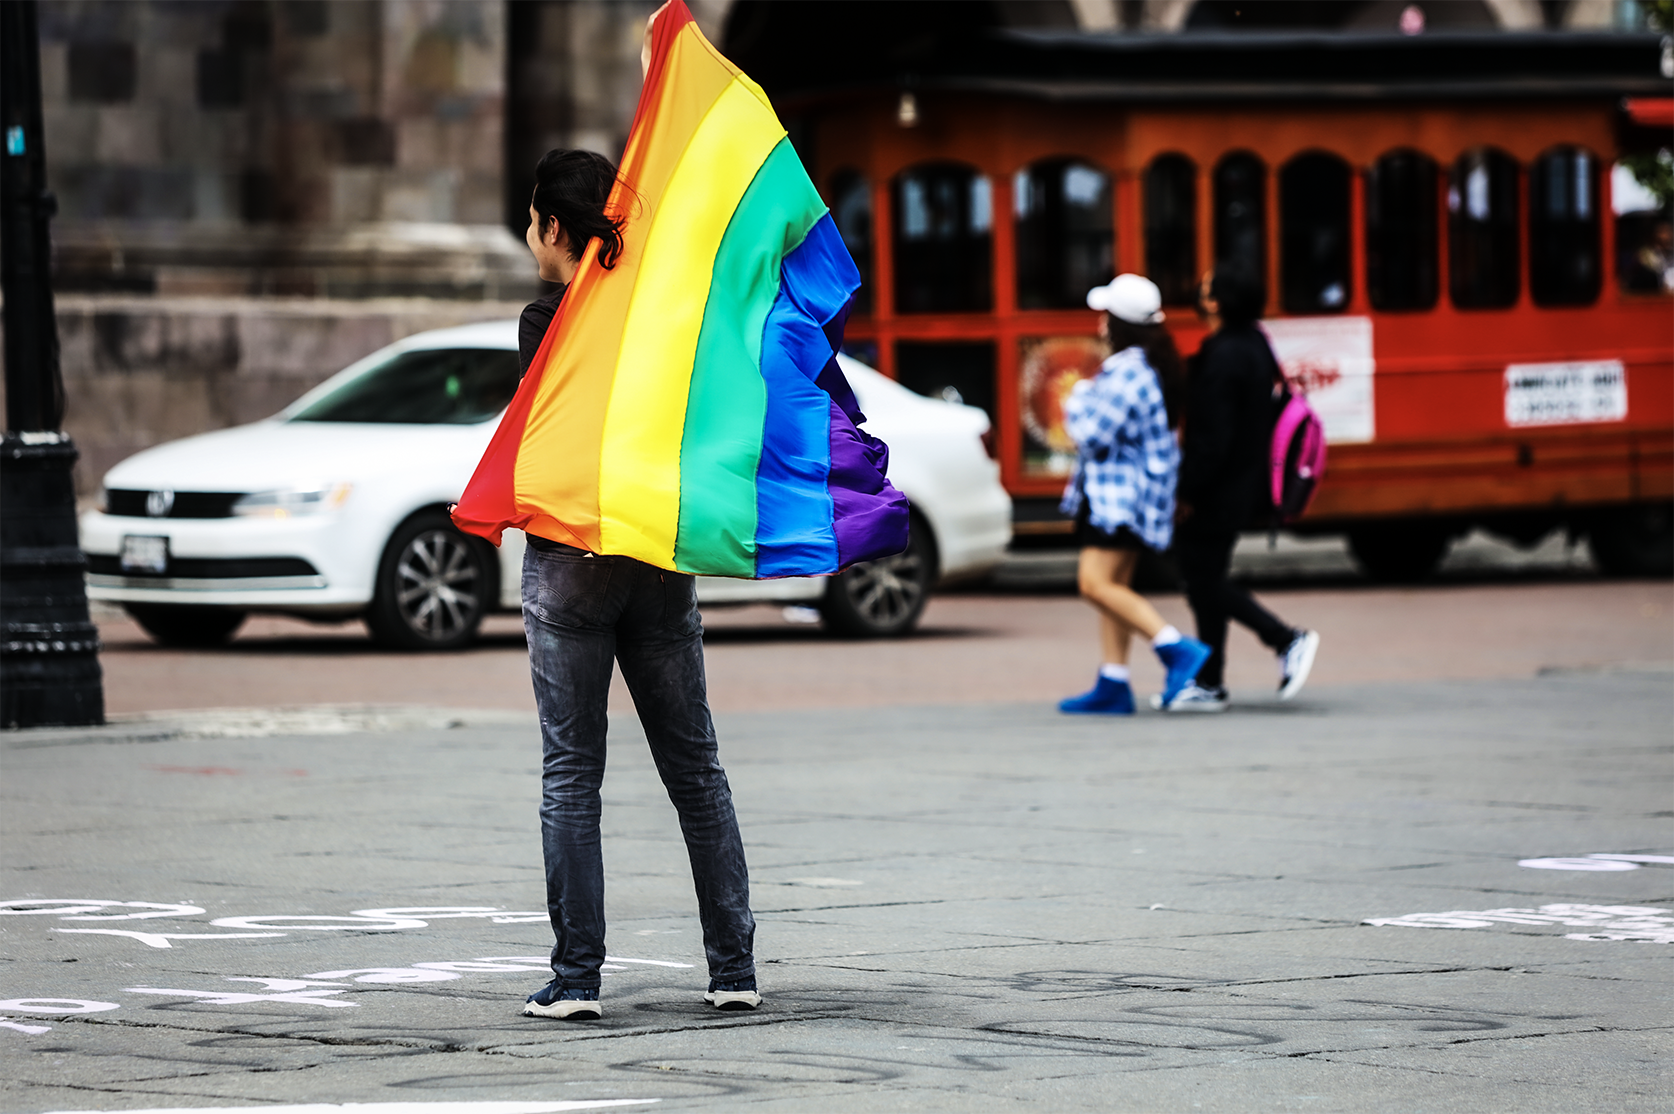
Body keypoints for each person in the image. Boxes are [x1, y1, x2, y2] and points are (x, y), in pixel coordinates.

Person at [515, 148, 759, 1020]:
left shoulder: (547, 319)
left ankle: (578, 978)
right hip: (659, 554)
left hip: (573, 558)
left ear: (552, 226)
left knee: (572, 773)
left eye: (533, 220)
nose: (530, 237)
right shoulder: (662, 315)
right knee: (695, 769)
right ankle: (733, 970)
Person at [1058, 274, 1213, 716]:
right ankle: (1113, 681)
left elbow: (1088, 433)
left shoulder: (1128, 373)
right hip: (1129, 497)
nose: (1100, 324)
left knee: (1095, 584)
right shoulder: (1149, 367)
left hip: (1117, 500)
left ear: (1119, 324)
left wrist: (1077, 396)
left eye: (1106, 315)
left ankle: (1176, 649)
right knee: (1115, 587)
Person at [1167, 264, 1319, 713]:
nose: (1200, 291)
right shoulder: (1252, 344)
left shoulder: (1225, 356)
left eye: (1207, 287)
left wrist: (1186, 491)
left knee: (1203, 580)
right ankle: (1209, 682)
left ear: (1216, 302)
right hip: (1240, 483)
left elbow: (1213, 439)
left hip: (1219, 488)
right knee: (1204, 579)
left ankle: (1286, 639)